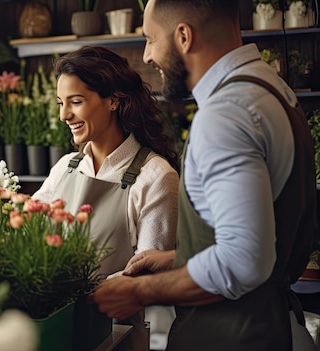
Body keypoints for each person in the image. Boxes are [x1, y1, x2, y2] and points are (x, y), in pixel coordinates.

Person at [87, 1, 318, 350]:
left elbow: (243, 263)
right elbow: (258, 234)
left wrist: (137, 291)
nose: (147, 55)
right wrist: (175, 260)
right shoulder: (270, 87)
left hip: (231, 337)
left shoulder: (227, 114)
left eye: (151, 39)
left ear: (183, 36)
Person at [32, 46, 179, 351]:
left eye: (76, 102)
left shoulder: (156, 177)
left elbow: (145, 275)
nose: (64, 115)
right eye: (61, 103)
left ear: (113, 100)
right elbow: (31, 227)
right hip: (62, 329)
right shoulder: (65, 167)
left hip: (116, 335)